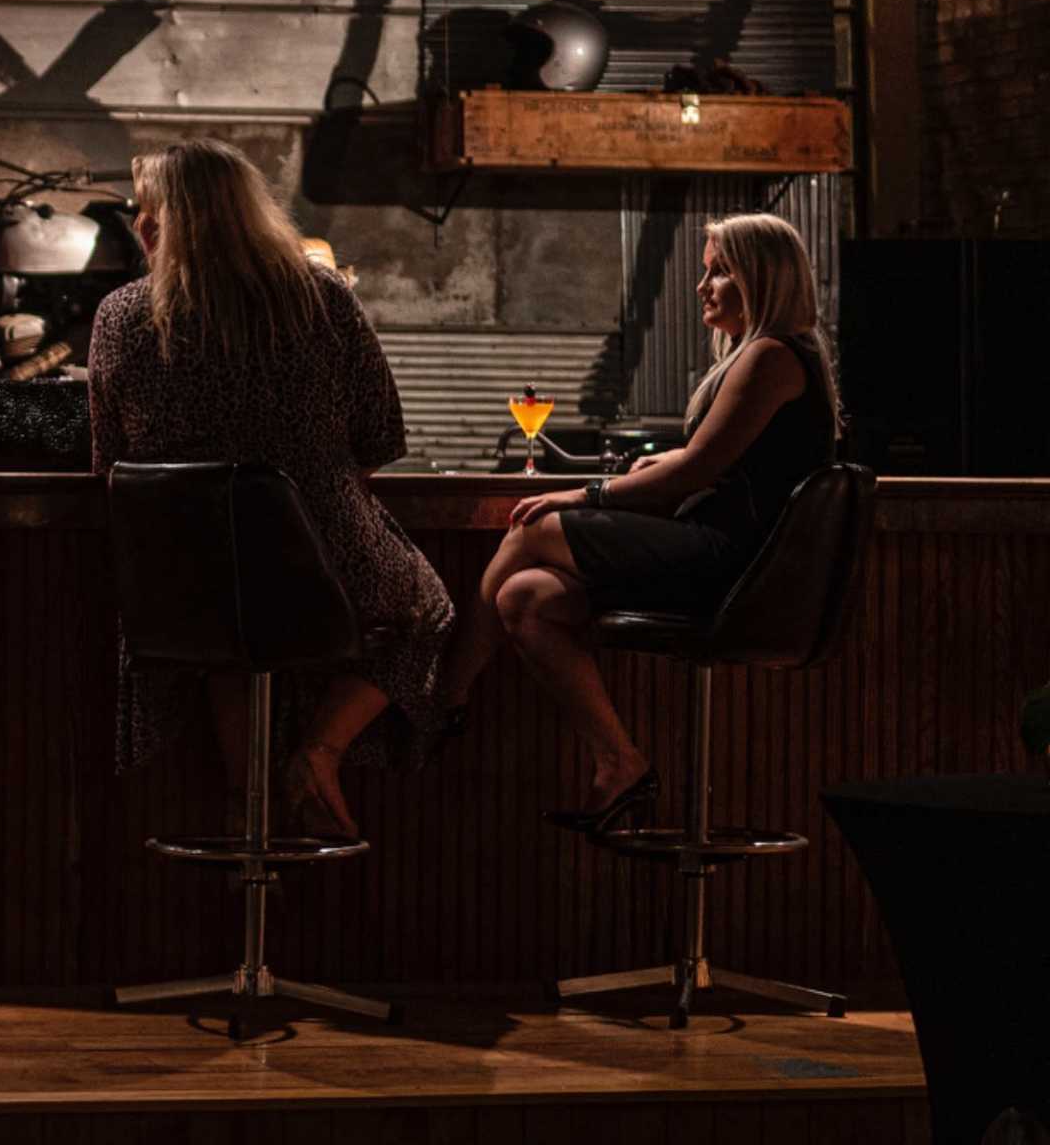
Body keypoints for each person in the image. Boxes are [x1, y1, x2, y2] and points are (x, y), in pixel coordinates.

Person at [87, 138, 447, 840]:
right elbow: (380, 441)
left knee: (230, 632)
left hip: (178, 583)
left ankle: (244, 799)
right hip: (321, 568)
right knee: (423, 608)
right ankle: (318, 753)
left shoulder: (118, 316)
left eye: (150, 212)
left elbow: (108, 464)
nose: (141, 228)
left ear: (179, 222)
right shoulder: (322, 298)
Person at [439, 212, 840, 836]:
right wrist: (664, 462)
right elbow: (709, 456)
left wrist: (587, 492)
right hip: (723, 555)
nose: (703, 286)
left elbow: (697, 470)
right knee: (526, 597)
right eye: (705, 271)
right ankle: (620, 762)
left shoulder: (771, 355)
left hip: (735, 567)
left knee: (533, 528)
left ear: (763, 278)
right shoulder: (760, 356)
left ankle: (445, 695)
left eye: (720, 271)